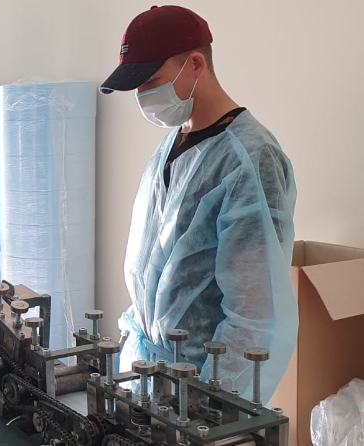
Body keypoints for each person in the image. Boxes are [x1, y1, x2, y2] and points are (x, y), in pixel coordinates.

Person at [100, 5, 298, 404]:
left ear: (195, 64)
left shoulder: (249, 159)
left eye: (151, 82)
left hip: (202, 392)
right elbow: (159, 270)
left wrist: (211, 406)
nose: (142, 97)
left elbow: (254, 315)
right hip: (151, 376)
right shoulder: (171, 147)